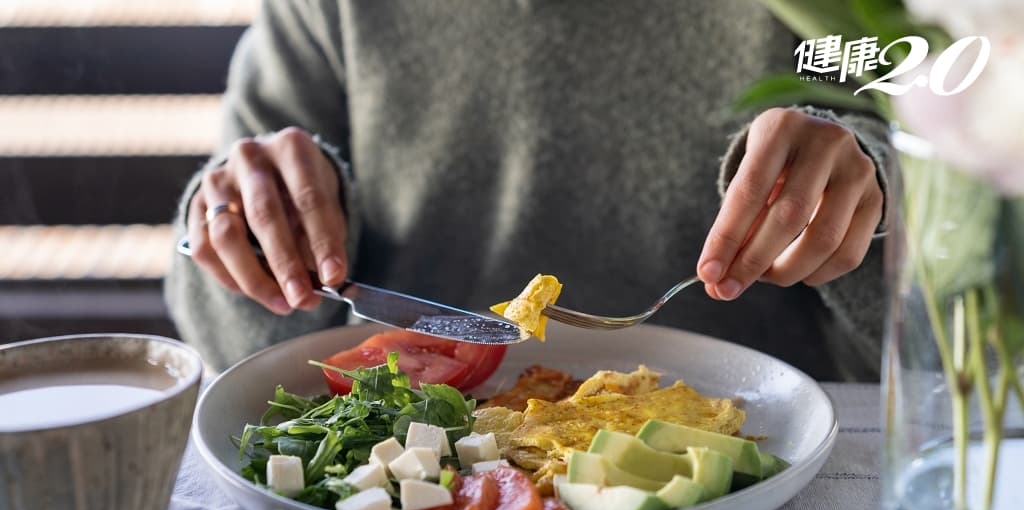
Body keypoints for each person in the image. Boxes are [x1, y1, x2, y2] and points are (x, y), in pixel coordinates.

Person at [165, 1, 896, 382]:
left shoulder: (829, 13)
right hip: (407, 489)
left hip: (783, 479)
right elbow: (231, 344)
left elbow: (975, 289)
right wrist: (242, 228)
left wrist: (883, 194)